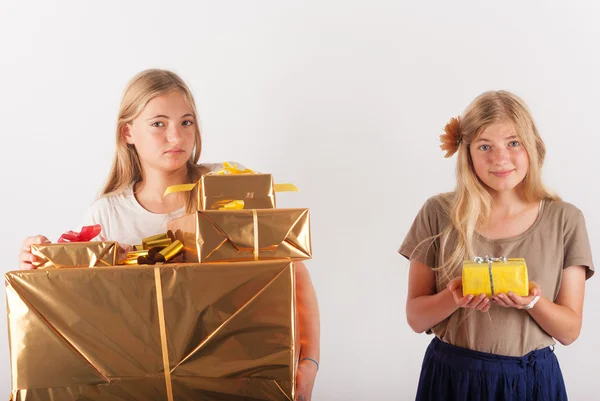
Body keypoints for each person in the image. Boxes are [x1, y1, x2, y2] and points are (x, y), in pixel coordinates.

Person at [19, 69, 320, 400]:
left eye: (186, 122)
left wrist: (308, 365)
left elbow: (291, 273)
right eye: (158, 123)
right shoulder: (107, 215)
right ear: (128, 132)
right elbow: (77, 314)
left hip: (235, 381)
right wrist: (40, 259)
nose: (176, 137)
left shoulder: (224, 187)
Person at [399, 90, 594, 400]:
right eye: (485, 146)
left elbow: (569, 331)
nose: (500, 158)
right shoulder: (437, 213)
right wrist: (453, 298)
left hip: (531, 382)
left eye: (513, 143)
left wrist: (531, 302)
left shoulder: (565, 219)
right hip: (452, 379)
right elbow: (415, 317)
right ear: (468, 154)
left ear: (532, 146)